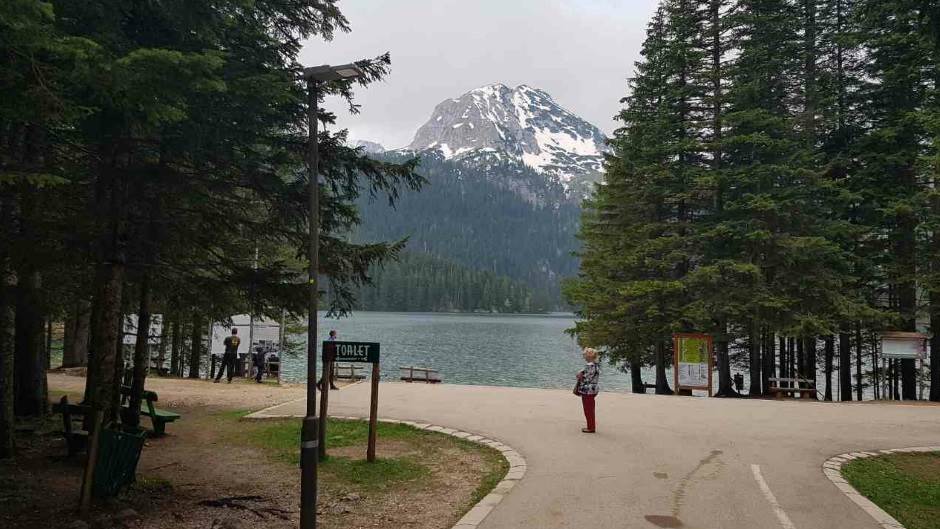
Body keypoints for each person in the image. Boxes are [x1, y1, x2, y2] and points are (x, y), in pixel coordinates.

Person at [573, 347, 600, 433]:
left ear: (589, 356)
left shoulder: (589, 366)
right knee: (590, 408)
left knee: (588, 409)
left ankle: (591, 427)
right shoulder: (596, 365)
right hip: (593, 389)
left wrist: (579, 376)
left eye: (585, 355)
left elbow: (586, 378)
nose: (584, 357)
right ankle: (591, 426)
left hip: (587, 390)